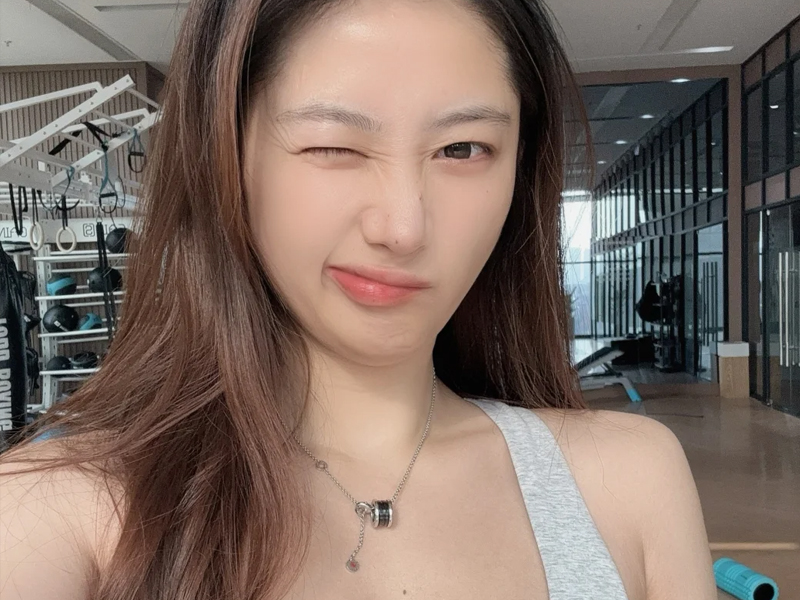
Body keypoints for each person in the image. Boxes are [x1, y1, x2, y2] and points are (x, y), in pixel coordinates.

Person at [0, 0, 718, 599]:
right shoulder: (58, 511)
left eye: (463, 149)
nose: (403, 228)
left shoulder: (628, 481)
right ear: (224, 159)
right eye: (332, 146)